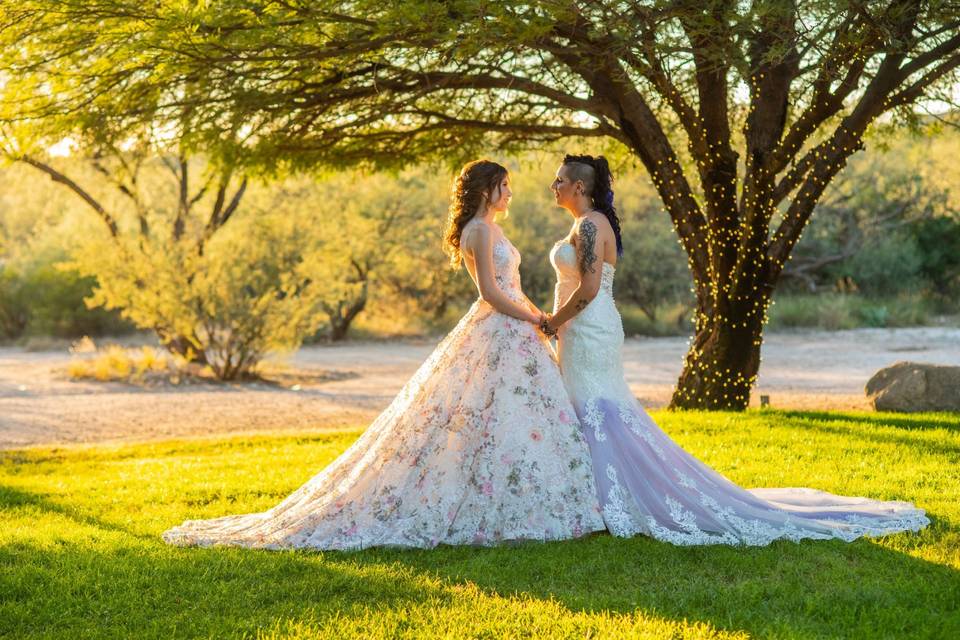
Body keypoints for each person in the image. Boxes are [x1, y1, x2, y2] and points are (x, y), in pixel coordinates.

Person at [162, 159, 604, 550]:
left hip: (517, 325)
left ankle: (526, 498)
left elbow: (512, 287)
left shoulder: (495, 228)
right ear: (486, 189)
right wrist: (533, 319)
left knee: (510, 415)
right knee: (479, 413)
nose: (510, 192)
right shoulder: (480, 230)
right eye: (504, 185)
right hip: (499, 327)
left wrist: (536, 314)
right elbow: (489, 292)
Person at [540, 153, 930, 545]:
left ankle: (618, 499)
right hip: (583, 328)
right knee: (594, 409)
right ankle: (596, 497)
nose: (553, 187)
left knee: (598, 410)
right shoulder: (586, 223)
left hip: (589, 329)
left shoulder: (590, 226)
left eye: (559, 180)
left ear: (579, 186)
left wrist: (551, 323)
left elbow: (589, 289)